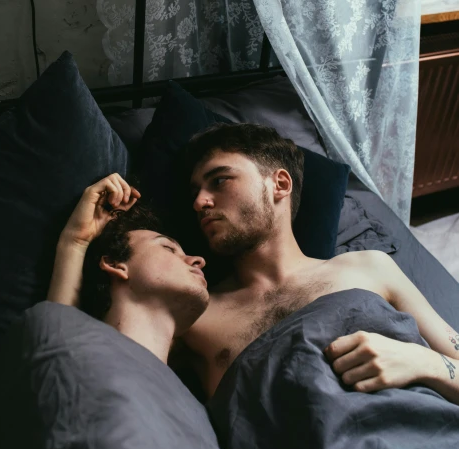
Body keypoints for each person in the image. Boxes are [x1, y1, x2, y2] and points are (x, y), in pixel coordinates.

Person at [181, 123, 459, 402]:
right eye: (195, 192)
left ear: (280, 184)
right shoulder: (196, 319)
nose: (199, 202)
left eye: (219, 181)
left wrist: (422, 361)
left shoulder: (369, 267)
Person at [47, 173, 209, 364]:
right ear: (115, 265)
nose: (199, 260)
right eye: (168, 248)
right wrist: (75, 241)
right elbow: (54, 352)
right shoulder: (69, 363)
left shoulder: (181, 393)